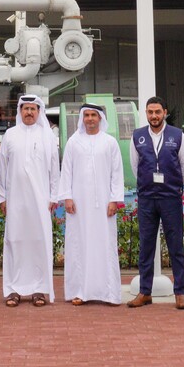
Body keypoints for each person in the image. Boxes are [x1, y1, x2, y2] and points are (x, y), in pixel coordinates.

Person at [56, 104, 125, 305]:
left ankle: (109, 293)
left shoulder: (110, 142)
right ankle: (79, 291)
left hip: (105, 205)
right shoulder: (73, 142)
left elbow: (116, 173)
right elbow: (66, 170)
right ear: (81, 118)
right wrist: (67, 196)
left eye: (94, 115)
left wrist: (114, 199)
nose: (90, 119)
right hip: (78, 205)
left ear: (100, 118)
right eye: (86, 115)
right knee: (79, 246)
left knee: (105, 245)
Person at [0, 94, 59, 306]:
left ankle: (39, 289)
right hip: (15, 200)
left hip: (40, 201)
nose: (29, 112)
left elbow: (54, 170)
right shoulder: (10, 135)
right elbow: (2, 169)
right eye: (26, 109)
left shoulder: (47, 136)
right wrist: (2, 197)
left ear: (39, 112)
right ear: (20, 112)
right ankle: (13, 290)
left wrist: (53, 196)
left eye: (33, 109)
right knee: (14, 241)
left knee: (39, 242)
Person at [128, 95, 184, 309]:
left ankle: (180, 293)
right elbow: (135, 167)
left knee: (175, 245)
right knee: (146, 245)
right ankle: (145, 292)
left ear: (165, 113)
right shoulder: (138, 136)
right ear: (146, 114)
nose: (154, 116)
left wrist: (171, 186)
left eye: (157, 112)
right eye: (150, 112)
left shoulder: (177, 135)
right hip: (147, 198)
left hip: (170, 197)